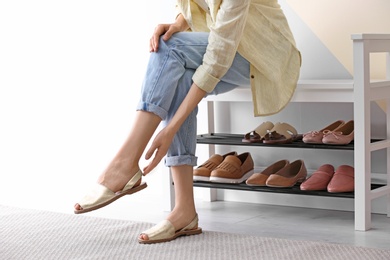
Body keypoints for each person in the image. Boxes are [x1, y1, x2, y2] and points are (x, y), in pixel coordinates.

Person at [74, 0, 301, 244]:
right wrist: (179, 23)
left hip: (265, 56)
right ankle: (184, 211)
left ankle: (124, 163)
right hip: (230, 50)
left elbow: (218, 56)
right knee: (177, 75)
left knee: (171, 48)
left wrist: (171, 129)